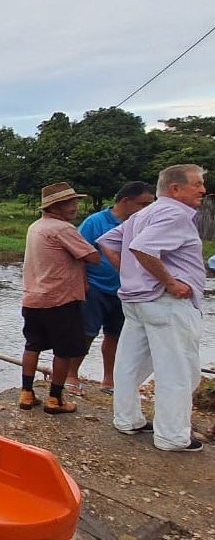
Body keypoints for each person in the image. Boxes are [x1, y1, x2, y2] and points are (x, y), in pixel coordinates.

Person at [97, 164, 207, 452]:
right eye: (197, 184)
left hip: (137, 300)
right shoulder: (174, 213)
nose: (203, 190)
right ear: (175, 189)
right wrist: (169, 282)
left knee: (129, 365)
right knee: (178, 370)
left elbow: (108, 241)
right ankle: (172, 436)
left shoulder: (145, 213)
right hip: (165, 302)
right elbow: (143, 248)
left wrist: (130, 275)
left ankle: (127, 418)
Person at [66, 181, 155, 395]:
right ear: (125, 201)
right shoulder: (95, 222)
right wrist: (83, 283)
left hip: (126, 289)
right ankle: (71, 375)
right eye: (143, 204)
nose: (146, 210)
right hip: (95, 286)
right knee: (87, 332)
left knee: (116, 335)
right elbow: (77, 254)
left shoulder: (142, 224)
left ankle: (109, 379)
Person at [19, 182, 100, 414]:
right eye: (70, 203)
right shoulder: (63, 229)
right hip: (60, 299)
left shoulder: (36, 226)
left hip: (33, 297)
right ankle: (55, 398)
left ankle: (26, 392)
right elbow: (93, 257)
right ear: (56, 206)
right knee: (64, 350)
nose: (75, 206)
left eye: (75, 201)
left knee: (32, 344)